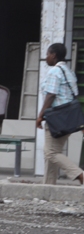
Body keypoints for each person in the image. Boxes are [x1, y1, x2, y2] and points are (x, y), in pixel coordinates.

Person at [36, 42, 84, 186]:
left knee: (50, 152)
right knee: (52, 152)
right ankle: (48, 187)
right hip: (67, 117)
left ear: (54, 55)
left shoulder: (55, 72)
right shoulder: (68, 72)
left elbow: (50, 95)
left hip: (57, 118)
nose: (46, 58)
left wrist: (40, 115)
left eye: (48, 54)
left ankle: (80, 174)